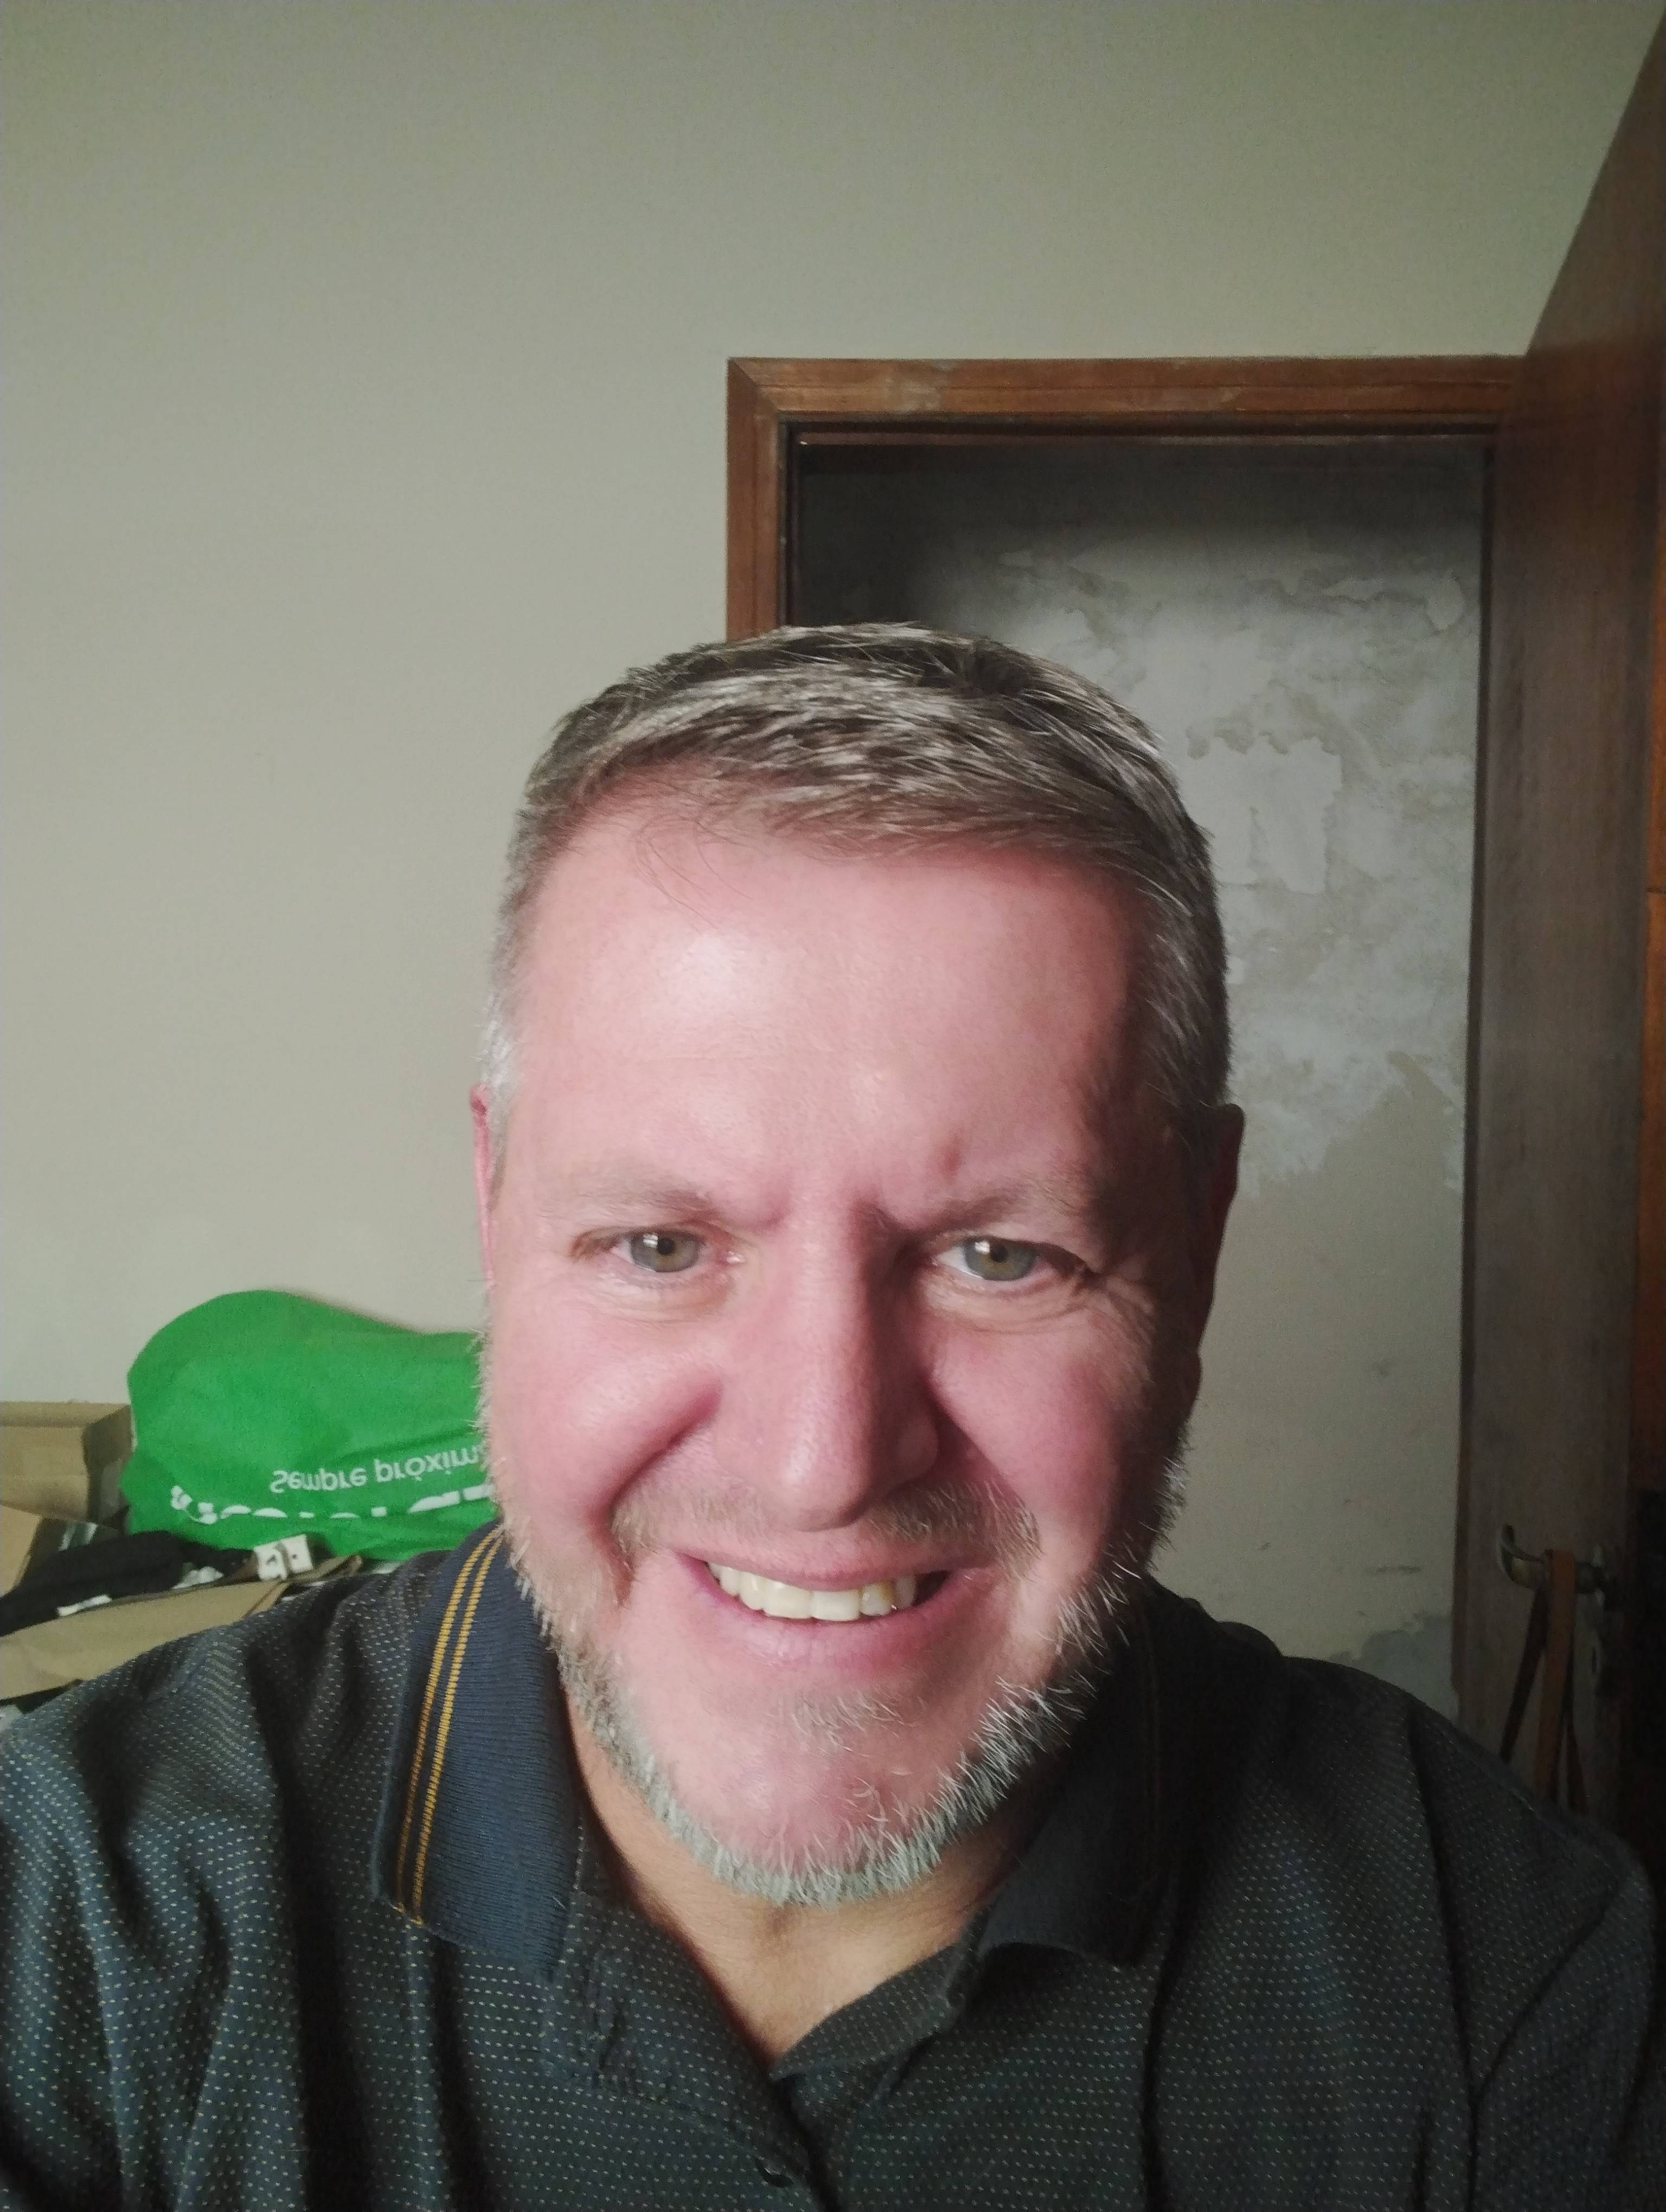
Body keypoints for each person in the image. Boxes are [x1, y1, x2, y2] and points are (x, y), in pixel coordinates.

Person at [1, 625, 1659, 2209]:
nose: (822, 1466)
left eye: (998, 1256)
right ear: (495, 1207)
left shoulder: (1515, 1988)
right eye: (662, 1246)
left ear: (1199, 1237)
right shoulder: (71, 1923)